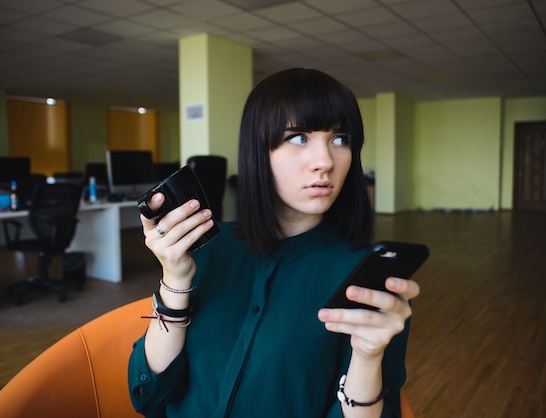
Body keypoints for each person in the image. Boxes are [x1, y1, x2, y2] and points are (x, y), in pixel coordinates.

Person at [128, 68, 420, 417]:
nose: (325, 162)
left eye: (340, 139)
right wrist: (175, 279)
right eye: (298, 137)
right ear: (257, 150)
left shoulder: (366, 280)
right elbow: (148, 395)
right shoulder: (206, 247)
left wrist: (369, 357)